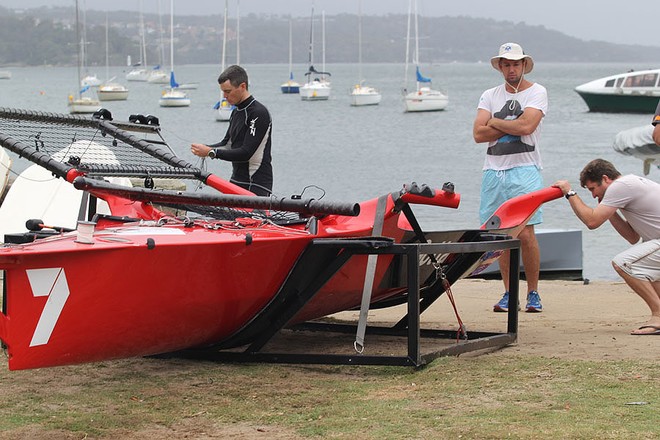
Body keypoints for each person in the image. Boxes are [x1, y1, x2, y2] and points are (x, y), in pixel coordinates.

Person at [472, 42, 548, 313]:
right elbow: (478, 135)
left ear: (524, 65)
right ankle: (508, 292)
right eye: (506, 64)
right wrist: (509, 127)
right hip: (493, 171)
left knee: (526, 234)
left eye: (516, 63)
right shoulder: (489, 95)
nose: (511, 68)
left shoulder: (537, 92)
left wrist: (494, 122)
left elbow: (528, 126)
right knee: (500, 235)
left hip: (525, 169)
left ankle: (533, 292)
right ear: (500, 67)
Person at [553, 159, 660, 335]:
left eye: (593, 189)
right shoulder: (628, 185)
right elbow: (632, 237)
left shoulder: (621, 186)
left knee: (623, 263)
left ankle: (658, 315)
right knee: (650, 273)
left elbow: (592, 221)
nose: (594, 196)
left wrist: (569, 192)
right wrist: (610, 211)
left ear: (605, 178)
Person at [191, 65, 273, 196]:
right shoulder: (236, 112)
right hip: (236, 182)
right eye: (223, 91)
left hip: (256, 184)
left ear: (242, 86)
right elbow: (227, 144)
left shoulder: (258, 113)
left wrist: (211, 152)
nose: (224, 96)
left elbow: (246, 152)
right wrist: (205, 149)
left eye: (228, 91)